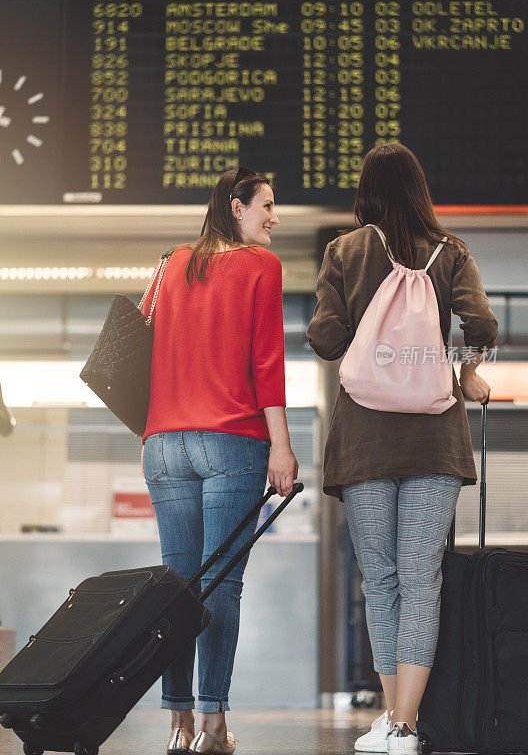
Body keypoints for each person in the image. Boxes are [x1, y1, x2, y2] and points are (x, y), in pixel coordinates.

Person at [307, 143, 498, 755]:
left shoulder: (346, 251)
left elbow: (326, 339)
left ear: (367, 190)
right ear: (419, 189)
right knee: (422, 577)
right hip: (435, 439)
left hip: (364, 442)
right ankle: (406, 725)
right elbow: (484, 327)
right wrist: (466, 371)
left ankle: (391, 718)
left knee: (381, 580)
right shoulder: (452, 251)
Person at [141, 166, 298, 755]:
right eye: (266, 205)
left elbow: (143, 353)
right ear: (236, 207)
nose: (274, 217)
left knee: (176, 587)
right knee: (220, 586)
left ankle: (177, 721)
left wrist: (149, 432)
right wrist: (281, 445)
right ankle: (213, 722)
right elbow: (267, 362)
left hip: (163, 443)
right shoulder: (261, 267)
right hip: (232, 438)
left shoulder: (169, 264)